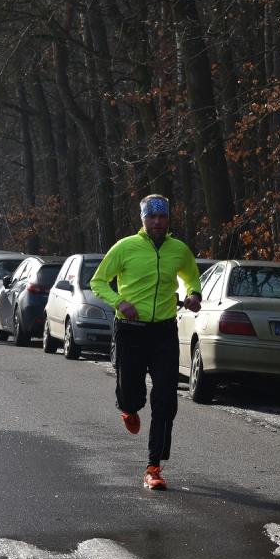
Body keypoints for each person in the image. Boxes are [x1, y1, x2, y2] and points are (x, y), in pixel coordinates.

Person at [91, 194, 201, 490]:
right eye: (151, 217)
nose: (157, 222)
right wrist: (119, 301)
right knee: (131, 394)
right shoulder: (125, 248)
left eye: (162, 217)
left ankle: (154, 466)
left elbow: (191, 276)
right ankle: (128, 408)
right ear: (142, 220)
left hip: (164, 331)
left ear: (168, 219)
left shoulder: (179, 250)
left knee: (165, 398)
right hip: (129, 330)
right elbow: (98, 281)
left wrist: (194, 294)